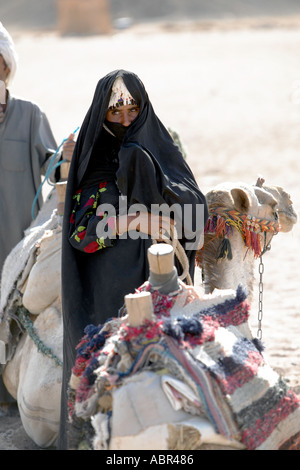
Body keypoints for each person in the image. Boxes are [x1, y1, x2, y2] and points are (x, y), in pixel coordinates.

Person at [59, 69, 208, 448]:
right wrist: (134, 220)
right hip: (112, 292)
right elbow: (82, 233)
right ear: (102, 115)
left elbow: (193, 209)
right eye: (115, 113)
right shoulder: (95, 163)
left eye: (132, 110)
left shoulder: (161, 148)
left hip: (165, 281)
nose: (126, 120)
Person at [0, 22, 74, 407]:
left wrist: (68, 155)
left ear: (4, 66)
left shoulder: (29, 116)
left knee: (17, 321)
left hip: (16, 249)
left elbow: (56, 168)